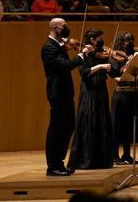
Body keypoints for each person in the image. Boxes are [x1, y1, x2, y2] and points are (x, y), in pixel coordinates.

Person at [41, 18, 94, 176]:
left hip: (65, 92)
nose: (67, 28)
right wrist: (81, 55)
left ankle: (60, 162)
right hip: (57, 93)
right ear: (55, 28)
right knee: (57, 129)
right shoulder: (48, 47)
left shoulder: (58, 45)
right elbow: (64, 66)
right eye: (64, 26)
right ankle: (52, 166)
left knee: (68, 126)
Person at [69, 29, 120, 170]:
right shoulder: (84, 54)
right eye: (99, 38)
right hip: (89, 93)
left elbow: (114, 71)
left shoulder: (102, 53)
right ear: (92, 39)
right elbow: (84, 73)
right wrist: (100, 66)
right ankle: (85, 160)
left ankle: (101, 160)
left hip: (101, 93)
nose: (101, 41)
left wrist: (112, 58)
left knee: (101, 124)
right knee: (88, 125)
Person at [110, 32, 138, 165]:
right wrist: (127, 65)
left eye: (132, 39)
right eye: (127, 40)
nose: (130, 42)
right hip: (121, 93)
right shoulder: (115, 56)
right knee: (118, 125)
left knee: (131, 125)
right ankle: (114, 155)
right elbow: (113, 72)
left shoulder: (135, 55)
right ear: (121, 41)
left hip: (134, 92)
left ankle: (127, 154)